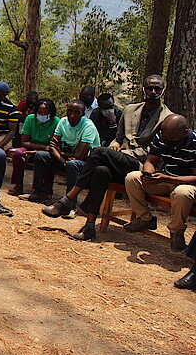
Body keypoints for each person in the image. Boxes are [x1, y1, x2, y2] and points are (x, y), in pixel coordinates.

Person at [43, 75, 173, 241]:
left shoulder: (168, 118)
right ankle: (89, 226)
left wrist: (120, 153)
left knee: (98, 152)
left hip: (141, 164)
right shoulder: (130, 110)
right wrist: (115, 145)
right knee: (101, 171)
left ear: (163, 91)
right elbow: (118, 138)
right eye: (150, 88)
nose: (153, 92)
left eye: (157, 89)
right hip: (121, 159)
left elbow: (158, 153)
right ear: (143, 89)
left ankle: (68, 199)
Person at [123, 114, 196, 251]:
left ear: (185, 132)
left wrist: (167, 179)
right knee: (132, 178)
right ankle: (145, 219)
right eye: (165, 138)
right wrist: (149, 175)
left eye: (172, 140)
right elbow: (151, 161)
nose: (168, 142)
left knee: (182, 193)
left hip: (187, 184)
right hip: (165, 179)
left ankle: (176, 232)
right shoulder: (161, 137)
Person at [29, 100, 100, 204]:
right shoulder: (63, 122)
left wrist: (60, 152)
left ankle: (69, 203)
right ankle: (39, 192)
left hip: (86, 163)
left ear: (83, 114)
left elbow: (80, 155)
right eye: (69, 111)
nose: (72, 115)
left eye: (77, 112)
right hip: (66, 159)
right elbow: (52, 147)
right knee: (40, 156)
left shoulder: (88, 126)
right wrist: (62, 160)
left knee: (72, 164)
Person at [8, 98, 59, 196]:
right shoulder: (30, 119)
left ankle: (46, 190)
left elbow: (54, 145)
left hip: (48, 151)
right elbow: (24, 142)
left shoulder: (57, 122)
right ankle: (18, 186)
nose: (42, 115)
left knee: (44, 157)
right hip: (32, 147)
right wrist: (40, 148)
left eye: (45, 112)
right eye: (40, 112)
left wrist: (41, 150)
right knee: (18, 153)